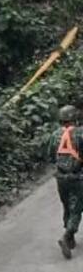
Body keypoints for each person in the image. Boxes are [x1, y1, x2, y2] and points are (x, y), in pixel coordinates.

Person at [53, 104, 83, 258]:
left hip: (60, 178)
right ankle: (66, 235)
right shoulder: (80, 133)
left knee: (67, 205)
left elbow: (50, 154)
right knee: (76, 208)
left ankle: (70, 238)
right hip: (77, 177)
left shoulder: (55, 135)